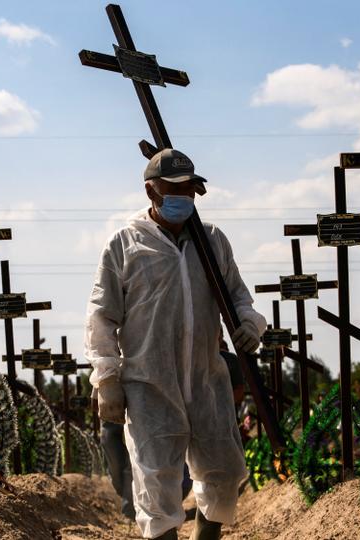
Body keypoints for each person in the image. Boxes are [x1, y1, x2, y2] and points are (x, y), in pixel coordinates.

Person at [85, 148, 266, 540]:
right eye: (175, 188)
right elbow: (102, 314)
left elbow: (239, 298)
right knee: (156, 482)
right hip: (149, 385)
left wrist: (250, 324)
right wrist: (107, 378)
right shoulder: (126, 244)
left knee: (225, 470)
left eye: (191, 189)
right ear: (151, 191)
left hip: (206, 379)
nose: (185, 197)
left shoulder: (211, 242)